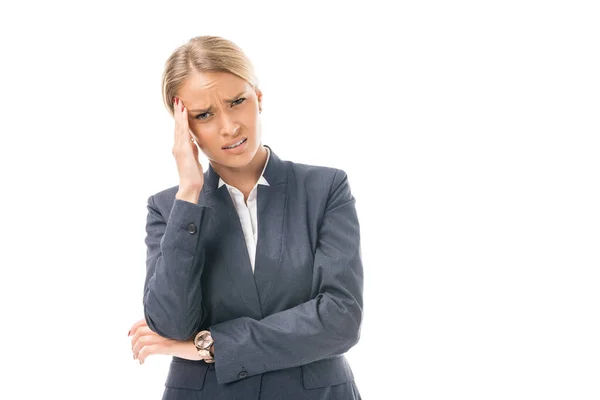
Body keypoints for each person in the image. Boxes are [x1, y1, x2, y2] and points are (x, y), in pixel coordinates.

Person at [128, 35, 364, 400]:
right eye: (203, 115)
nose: (229, 126)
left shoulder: (325, 188)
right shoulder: (168, 209)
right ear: (184, 127)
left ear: (259, 97)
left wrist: (210, 344)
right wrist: (189, 193)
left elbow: (341, 320)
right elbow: (172, 324)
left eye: (237, 102)